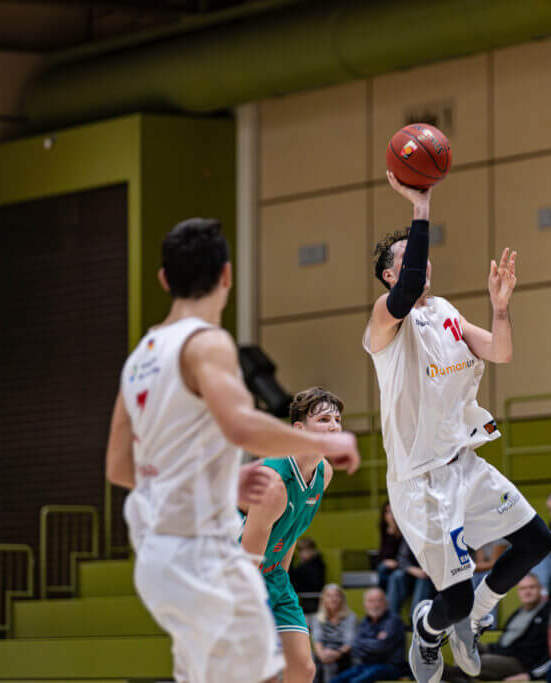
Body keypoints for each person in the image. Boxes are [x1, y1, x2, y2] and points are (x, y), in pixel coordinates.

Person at [104, 217, 360, 683]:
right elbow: (243, 427)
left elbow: (119, 467)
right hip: (207, 555)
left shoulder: (139, 357)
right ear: (227, 275)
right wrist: (324, 441)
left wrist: (220, 484)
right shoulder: (207, 342)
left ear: (164, 279)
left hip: (157, 559)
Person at [363, 172, 551, 683]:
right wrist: (421, 207)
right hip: (421, 482)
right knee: (452, 596)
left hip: (463, 465)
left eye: (423, 258)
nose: (421, 266)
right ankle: (428, 629)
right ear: (388, 276)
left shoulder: (446, 311)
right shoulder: (385, 321)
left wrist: (499, 308)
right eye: (407, 261)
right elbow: (404, 294)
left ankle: (477, 613)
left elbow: (502, 350)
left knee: (538, 542)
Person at [240, 387, 346, 683]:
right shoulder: (274, 484)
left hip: (271, 573)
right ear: (299, 429)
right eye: (324, 419)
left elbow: (292, 530)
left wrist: (280, 581)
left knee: (304, 669)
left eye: (337, 419)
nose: (335, 426)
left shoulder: (323, 473)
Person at [445, 573, 551, 683]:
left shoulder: (548, 612)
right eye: (523, 588)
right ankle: (458, 676)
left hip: (520, 661)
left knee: (483, 661)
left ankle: (450, 673)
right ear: (518, 592)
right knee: (465, 645)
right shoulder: (519, 612)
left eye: (532, 587)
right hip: (502, 651)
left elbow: (550, 651)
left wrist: (531, 675)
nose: (527, 592)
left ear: (540, 589)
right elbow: (505, 640)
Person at [330, 588, 406, 683]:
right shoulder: (364, 622)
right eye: (371, 601)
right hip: (367, 665)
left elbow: (380, 647)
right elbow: (355, 647)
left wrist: (364, 643)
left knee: (356, 681)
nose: (375, 605)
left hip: (391, 666)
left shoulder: (394, 620)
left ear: (386, 603)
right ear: (365, 605)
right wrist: (374, 642)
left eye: (379, 600)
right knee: (335, 681)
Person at [312, 584, 358, 683]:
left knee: (329, 665)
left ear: (342, 599)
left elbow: (349, 642)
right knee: (312, 659)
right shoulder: (317, 618)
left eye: (336, 595)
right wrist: (322, 654)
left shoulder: (350, 617)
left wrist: (336, 654)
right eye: (329, 596)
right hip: (323, 653)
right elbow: (317, 639)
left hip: (344, 653)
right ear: (323, 599)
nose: (333, 599)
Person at [385, 539, 434, 619]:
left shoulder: (437, 535)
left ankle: (415, 618)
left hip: (432, 575)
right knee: (396, 576)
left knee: (423, 580)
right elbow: (401, 559)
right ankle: (391, 617)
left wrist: (427, 571)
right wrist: (412, 569)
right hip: (412, 573)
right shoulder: (410, 532)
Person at [290, 538, 327, 618]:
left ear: (312, 550)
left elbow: (314, 583)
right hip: (303, 601)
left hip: (312, 602)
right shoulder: (301, 566)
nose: (301, 553)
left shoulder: (317, 566)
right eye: (300, 550)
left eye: (305, 550)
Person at [376, 503, 403, 590]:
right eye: (387, 512)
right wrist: (385, 561)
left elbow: (404, 553)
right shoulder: (385, 531)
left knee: (394, 575)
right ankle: (381, 595)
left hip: (402, 564)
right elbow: (382, 554)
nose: (390, 516)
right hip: (389, 565)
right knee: (382, 568)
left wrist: (395, 531)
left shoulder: (404, 531)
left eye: (392, 512)